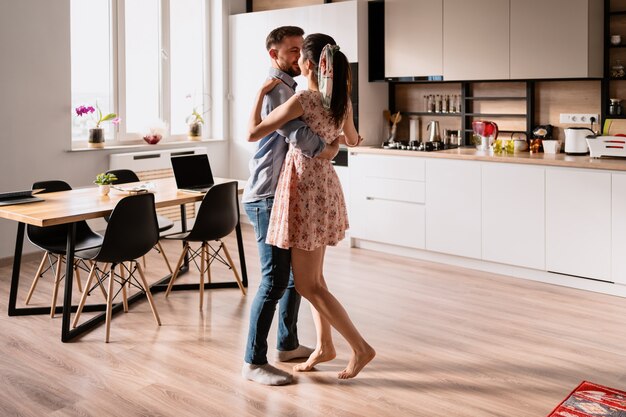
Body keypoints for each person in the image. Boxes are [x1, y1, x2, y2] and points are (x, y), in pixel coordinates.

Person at [247, 33, 375, 380]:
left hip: (302, 190)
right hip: (327, 188)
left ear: (308, 64)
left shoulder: (303, 99)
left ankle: (360, 348)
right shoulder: (342, 102)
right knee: (316, 278)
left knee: (307, 285)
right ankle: (325, 346)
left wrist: (260, 93)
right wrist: (332, 141)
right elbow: (352, 140)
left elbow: (253, 132)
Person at [241, 26, 340, 386]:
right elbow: (298, 136)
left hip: (283, 193)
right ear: (275, 54)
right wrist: (330, 146)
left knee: (295, 277)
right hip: (268, 194)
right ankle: (253, 361)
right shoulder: (279, 90)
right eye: (292, 51)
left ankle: (286, 344)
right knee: (274, 280)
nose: (300, 56)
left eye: (302, 50)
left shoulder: (290, 88)